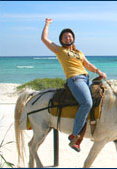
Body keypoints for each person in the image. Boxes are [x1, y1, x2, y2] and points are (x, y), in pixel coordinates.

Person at [41, 18, 107, 152]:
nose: (68, 38)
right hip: (75, 80)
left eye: (69, 36)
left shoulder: (79, 53)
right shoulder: (60, 51)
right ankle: (74, 135)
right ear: (61, 40)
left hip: (87, 78)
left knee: (102, 97)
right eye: (65, 37)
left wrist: (98, 71)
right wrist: (47, 24)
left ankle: (95, 129)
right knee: (86, 103)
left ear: (73, 38)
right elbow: (44, 39)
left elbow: (87, 65)